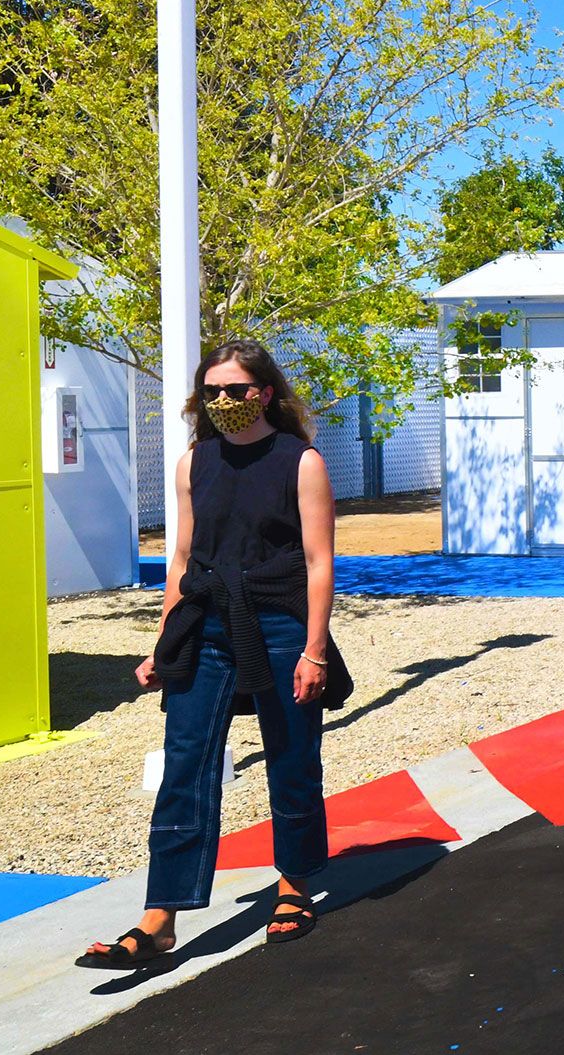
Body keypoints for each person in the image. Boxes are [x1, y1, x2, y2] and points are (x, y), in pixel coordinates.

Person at [80, 339, 349, 970]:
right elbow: (181, 561)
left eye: (236, 389)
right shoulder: (192, 463)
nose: (223, 400)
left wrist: (314, 652)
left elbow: (319, 562)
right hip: (207, 625)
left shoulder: (300, 461)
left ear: (265, 393)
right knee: (186, 762)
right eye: (213, 391)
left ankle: (294, 885)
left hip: (280, 622)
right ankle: (159, 917)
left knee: (291, 754)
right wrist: (163, 643)